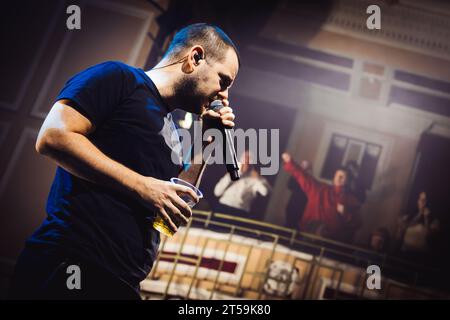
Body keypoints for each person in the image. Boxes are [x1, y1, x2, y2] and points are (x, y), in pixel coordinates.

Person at [9, 23, 239, 299]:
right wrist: (143, 186)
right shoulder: (119, 78)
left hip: (123, 281)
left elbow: (173, 208)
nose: (224, 96)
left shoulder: (174, 134)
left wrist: (207, 141)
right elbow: (53, 137)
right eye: (223, 81)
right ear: (195, 57)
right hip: (73, 263)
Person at [281, 152, 361, 242]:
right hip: (306, 236)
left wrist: (345, 214)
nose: (339, 178)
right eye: (337, 175)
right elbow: (304, 177)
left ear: (347, 181)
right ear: (334, 177)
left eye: (342, 177)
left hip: (330, 243)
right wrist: (290, 162)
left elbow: (357, 224)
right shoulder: (320, 189)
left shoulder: (351, 200)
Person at [213, 150, 271, 218]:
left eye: (249, 158)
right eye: (245, 157)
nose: (246, 160)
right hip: (223, 207)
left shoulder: (256, 178)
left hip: (240, 212)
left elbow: (265, 192)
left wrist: (258, 178)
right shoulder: (231, 173)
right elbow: (217, 192)